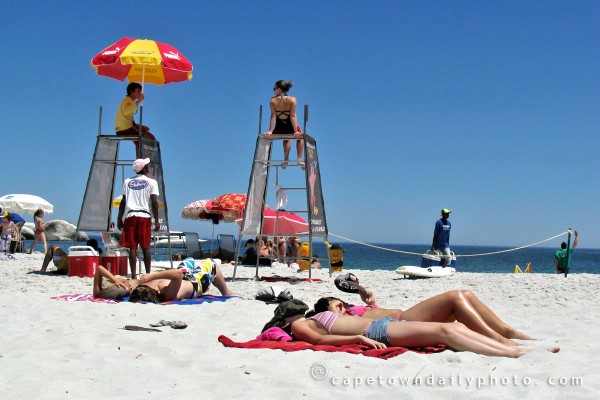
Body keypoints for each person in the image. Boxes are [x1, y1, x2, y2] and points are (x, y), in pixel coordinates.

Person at [264, 300, 558, 358]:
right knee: (444, 332)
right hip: (379, 332)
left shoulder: (310, 318)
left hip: (383, 325)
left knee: (447, 327)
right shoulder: (299, 325)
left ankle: (511, 346)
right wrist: (358, 338)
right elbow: (318, 341)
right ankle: (513, 352)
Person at [313, 287, 533, 346]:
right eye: (337, 307)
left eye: (342, 305)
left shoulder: (353, 310)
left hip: (402, 316)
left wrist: (370, 303)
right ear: (325, 312)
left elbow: (372, 310)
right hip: (403, 321)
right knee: (455, 297)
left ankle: (508, 331)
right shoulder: (335, 321)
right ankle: (497, 339)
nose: (342, 309)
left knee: (466, 294)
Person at [97, 258, 236, 302]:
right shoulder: (167, 293)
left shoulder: (137, 288)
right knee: (211, 263)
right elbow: (176, 274)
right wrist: (152, 276)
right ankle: (226, 291)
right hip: (195, 283)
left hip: (183, 277)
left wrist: (113, 279)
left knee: (188, 260)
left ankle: (190, 263)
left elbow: (99, 269)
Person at [117, 158, 160, 279]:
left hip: (130, 216)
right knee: (146, 247)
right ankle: (147, 275)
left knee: (132, 247)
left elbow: (123, 201)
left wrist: (120, 217)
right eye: (147, 165)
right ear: (144, 168)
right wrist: (156, 220)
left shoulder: (127, 181)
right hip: (144, 216)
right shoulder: (152, 182)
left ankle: (134, 277)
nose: (149, 166)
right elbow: (154, 202)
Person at [263, 80, 304, 169]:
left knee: (286, 138)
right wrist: (296, 130)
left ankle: (286, 159)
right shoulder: (292, 100)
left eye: (274, 89)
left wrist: (270, 130)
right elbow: (292, 116)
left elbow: (273, 116)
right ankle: (299, 158)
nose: (273, 91)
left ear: (279, 89)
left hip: (280, 125)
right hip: (289, 124)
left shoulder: (272, 100)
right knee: (300, 137)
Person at [115, 82, 156, 154]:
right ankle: (143, 161)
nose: (139, 93)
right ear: (131, 91)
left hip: (123, 128)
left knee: (145, 130)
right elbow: (126, 111)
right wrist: (139, 101)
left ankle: (141, 160)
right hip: (125, 129)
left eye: (140, 91)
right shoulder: (127, 100)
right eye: (138, 91)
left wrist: (137, 125)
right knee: (149, 138)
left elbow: (126, 117)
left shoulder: (128, 101)